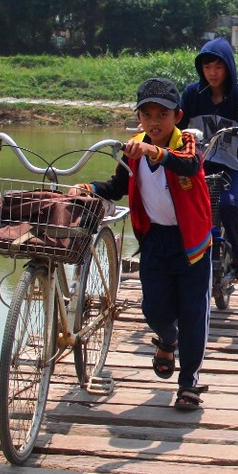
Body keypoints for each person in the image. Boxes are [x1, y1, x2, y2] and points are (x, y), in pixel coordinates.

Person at [73, 77, 212, 412]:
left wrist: (155, 150)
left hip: (192, 243)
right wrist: (89, 188)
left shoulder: (187, 143)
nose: (154, 121)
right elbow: (117, 186)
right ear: (139, 118)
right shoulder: (134, 149)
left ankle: (189, 382)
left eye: (161, 114)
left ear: (176, 116)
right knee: (153, 308)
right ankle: (167, 340)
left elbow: (189, 164)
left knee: (193, 313)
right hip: (155, 240)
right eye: (147, 114)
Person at [179, 37, 238, 291]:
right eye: (206, 67)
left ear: (228, 68)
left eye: (218, 66)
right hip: (196, 164)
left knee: (227, 204)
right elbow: (175, 122)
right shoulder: (192, 94)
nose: (212, 73)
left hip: (229, 166)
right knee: (179, 204)